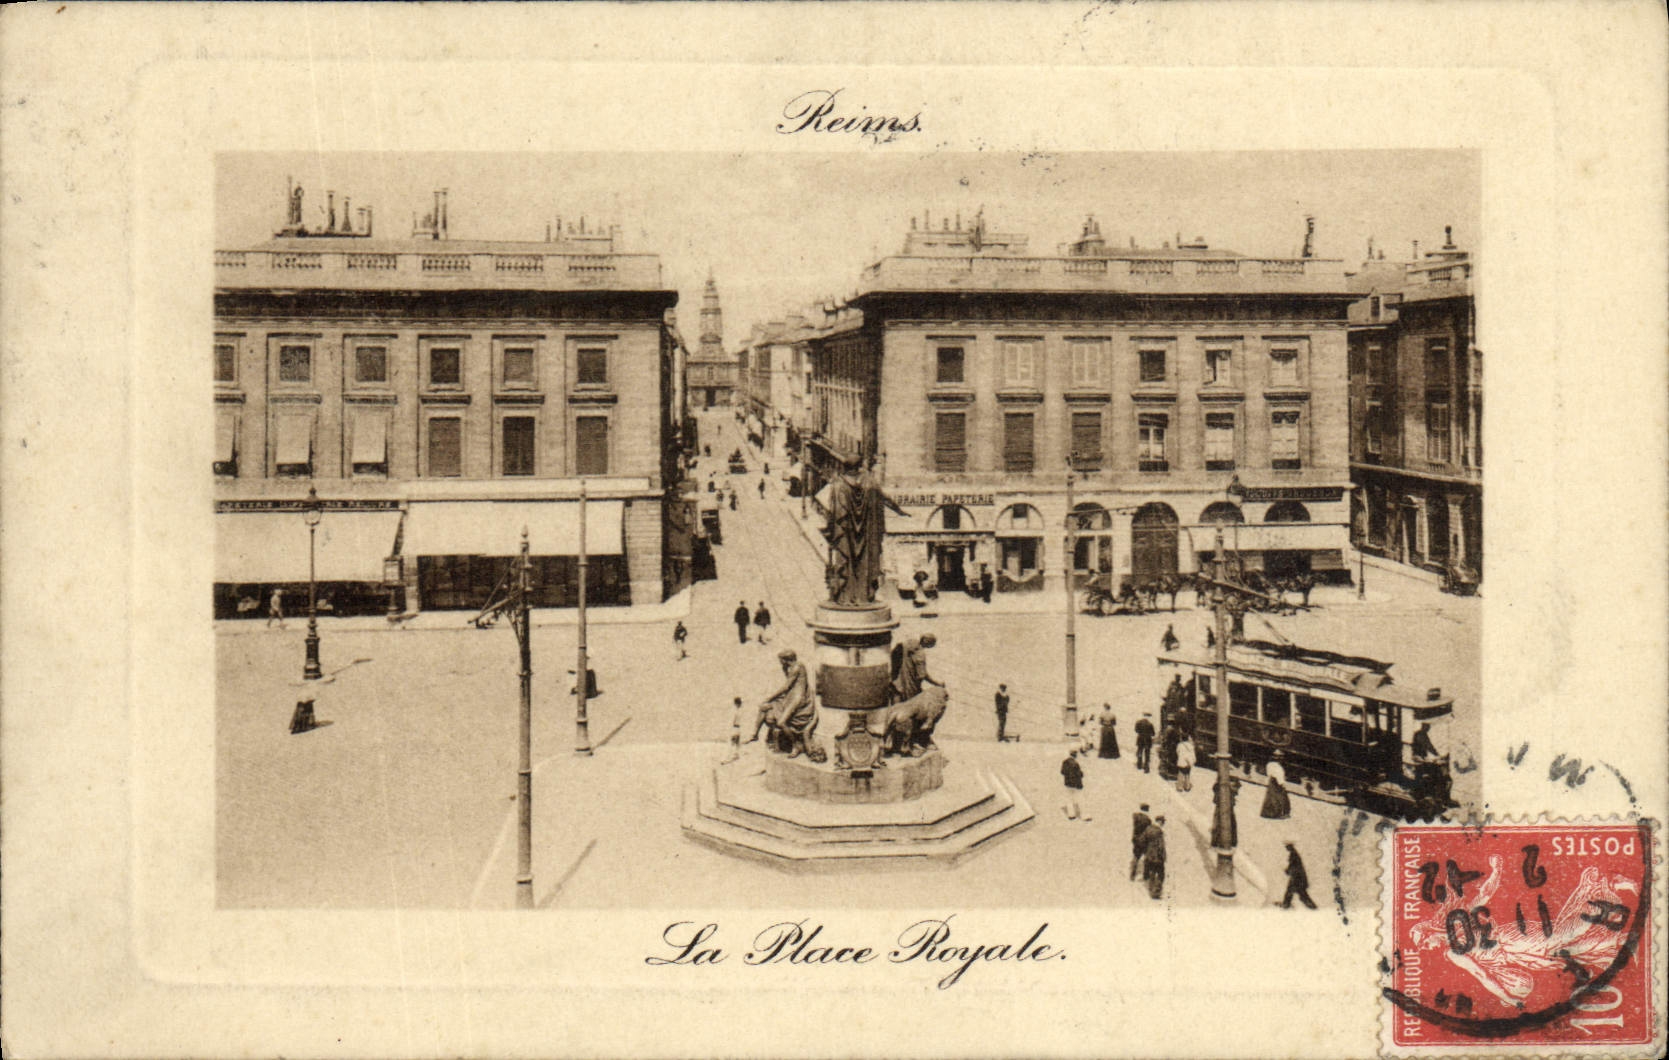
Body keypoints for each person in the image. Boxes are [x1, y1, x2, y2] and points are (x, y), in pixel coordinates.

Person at [748, 650, 820, 760]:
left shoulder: (796, 668)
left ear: (785, 660)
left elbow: (786, 687)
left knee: (781, 722)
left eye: (780, 660)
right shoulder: (793, 666)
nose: (780, 662)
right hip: (790, 696)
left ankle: (796, 745)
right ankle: (754, 735)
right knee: (763, 708)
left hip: (798, 700)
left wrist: (770, 697)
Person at [891, 633, 942, 702]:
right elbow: (922, 675)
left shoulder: (910, 642)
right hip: (910, 687)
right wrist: (937, 683)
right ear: (929, 644)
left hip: (898, 680)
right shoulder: (920, 655)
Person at [1281, 842, 1317, 909]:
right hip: (1297, 878)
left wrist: (1288, 871)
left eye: (1287, 846)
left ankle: (1285, 906)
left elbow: (1294, 867)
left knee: (1296, 894)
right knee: (1298, 894)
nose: (1286, 848)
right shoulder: (1294, 854)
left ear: (1290, 847)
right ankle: (1286, 905)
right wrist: (1288, 871)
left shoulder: (1293, 855)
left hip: (1297, 879)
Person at [1141, 816, 1167, 899]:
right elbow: (1161, 846)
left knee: (1152, 873)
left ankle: (1151, 889)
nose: (1163, 824)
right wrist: (1163, 856)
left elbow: (1142, 841)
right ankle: (1156, 892)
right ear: (1160, 822)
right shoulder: (1159, 832)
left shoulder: (1148, 829)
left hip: (1149, 856)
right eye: (1163, 823)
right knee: (1161, 874)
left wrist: (1145, 852)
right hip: (1157, 856)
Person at [1261, 750, 1293, 819]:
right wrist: (1282, 784)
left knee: (1271, 797)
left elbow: (1269, 774)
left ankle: (1267, 813)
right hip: (1276, 783)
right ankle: (1278, 814)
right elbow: (1279, 776)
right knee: (1279, 798)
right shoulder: (1278, 767)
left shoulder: (1269, 764)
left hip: (1271, 782)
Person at [1060, 748, 1087, 821]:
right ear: (1075, 755)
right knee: (1080, 799)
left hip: (1068, 784)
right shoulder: (1076, 764)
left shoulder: (1065, 762)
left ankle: (1071, 815)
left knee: (1069, 799)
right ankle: (1084, 815)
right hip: (1076, 784)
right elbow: (1079, 774)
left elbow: (1062, 772)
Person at [1130, 803, 1152, 881]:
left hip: (1135, 840)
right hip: (1144, 841)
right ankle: (1146, 875)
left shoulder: (1136, 816)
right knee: (1146, 857)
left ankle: (1132, 875)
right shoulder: (1147, 820)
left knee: (1136, 856)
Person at [722, 696, 743, 764]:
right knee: (737, 743)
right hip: (738, 728)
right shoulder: (740, 711)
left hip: (734, 728)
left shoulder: (734, 711)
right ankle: (736, 755)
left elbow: (731, 721)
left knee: (730, 743)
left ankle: (726, 758)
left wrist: (728, 730)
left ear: (735, 703)